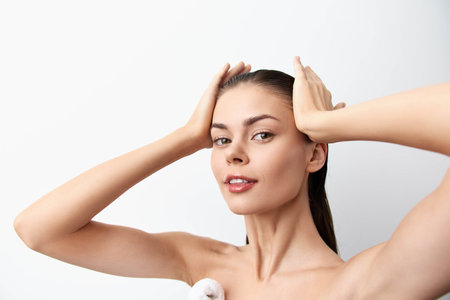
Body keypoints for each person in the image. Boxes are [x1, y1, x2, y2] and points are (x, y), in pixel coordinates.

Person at [14, 57, 450, 299]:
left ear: (313, 153)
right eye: (221, 141)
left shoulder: (366, 284)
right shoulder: (198, 261)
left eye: (262, 134)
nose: (234, 155)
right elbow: (39, 230)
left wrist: (331, 123)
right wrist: (184, 138)